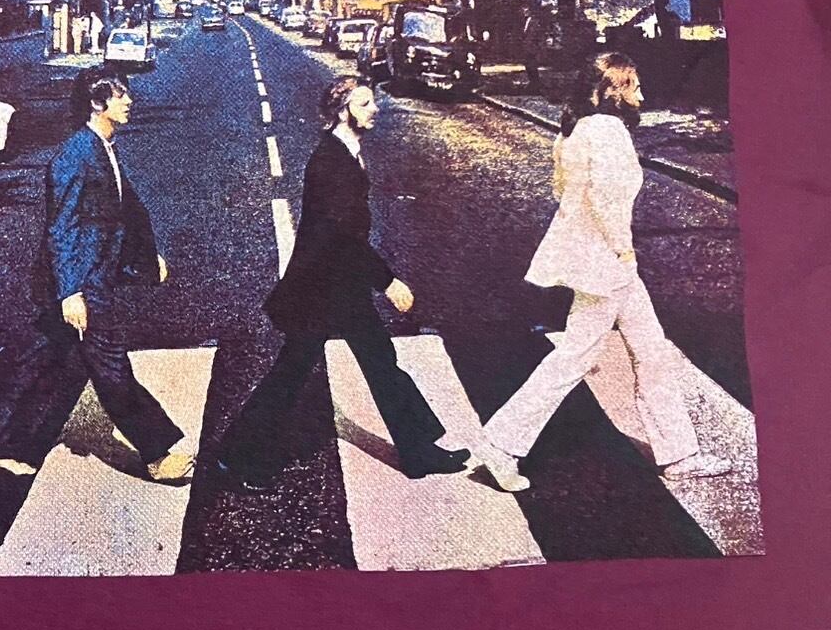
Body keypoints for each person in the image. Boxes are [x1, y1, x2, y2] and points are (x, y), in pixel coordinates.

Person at [482, 51, 732, 492]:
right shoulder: (609, 131)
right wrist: (622, 249)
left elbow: (562, 192)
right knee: (576, 356)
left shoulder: (575, 130)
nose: (642, 95)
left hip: (596, 259)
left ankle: (679, 453)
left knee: (651, 350)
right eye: (633, 86)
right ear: (610, 91)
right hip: (609, 263)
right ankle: (501, 443)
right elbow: (604, 199)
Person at [216, 76, 470, 488]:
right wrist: (388, 281)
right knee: (293, 372)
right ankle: (238, 457)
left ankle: (418, 451)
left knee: (381, 362)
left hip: (342, 284)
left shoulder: (345, 152)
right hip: (321, 288)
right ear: (342, 110)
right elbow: (343, 236)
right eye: (365, 103)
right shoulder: (330, 162)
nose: (375, 109)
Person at [0, 68, 194, 483]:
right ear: (97, 103)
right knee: (111, 368)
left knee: (39, 362)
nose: (129, 101)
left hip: (92, 275)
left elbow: (124, 212)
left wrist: (148, 258)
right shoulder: (75, 156)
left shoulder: (102, 147)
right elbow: (62, 227)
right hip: (83, 283)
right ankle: (157, 453)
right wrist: (70, 292)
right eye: (120, 95)